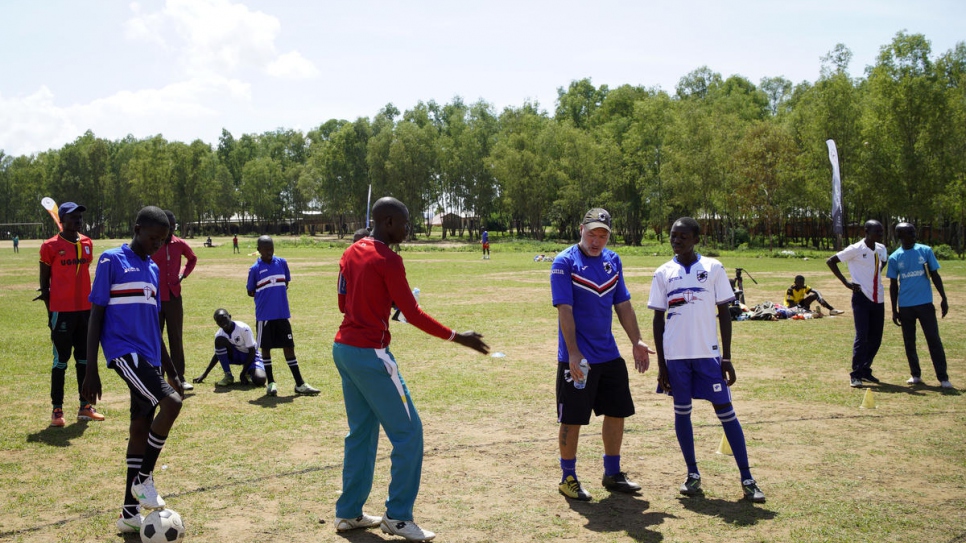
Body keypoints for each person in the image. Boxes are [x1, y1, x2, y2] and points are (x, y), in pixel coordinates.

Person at [332, 197, 489, 541]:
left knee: (361, 433)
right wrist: (457, 337)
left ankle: (348, 513)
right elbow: (413, 313)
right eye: (405, 223)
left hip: (343, 349)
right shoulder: (389, 259)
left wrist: (376, 303)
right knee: (409, 433)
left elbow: (344, 302)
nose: (409, 228)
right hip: (371, 354)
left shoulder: (350, 252)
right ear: (388, 222)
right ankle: (398, 516)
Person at [647, 217, 765, 503]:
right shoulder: (663, 272)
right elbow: (657, 320)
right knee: (682, 413)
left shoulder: (713, 268)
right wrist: (662, 365)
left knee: (726, 411)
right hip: (676, 358)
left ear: (696, 239)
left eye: (683, 236)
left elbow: (724, 313)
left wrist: (726, 357)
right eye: (673, 236)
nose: (676, 241)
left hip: (707, 356)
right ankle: (692, 474)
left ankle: (747, 478)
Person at [82, 206, 184, 534]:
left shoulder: (153, 268)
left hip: (150, 357)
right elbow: (96, 314)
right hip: (124, 352)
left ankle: (128, 513)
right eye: (153, 237)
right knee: (172, 404)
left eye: (163, 240)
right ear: (137, 228)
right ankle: (144, 479)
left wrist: (170, 369)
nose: (157, 244)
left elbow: (155, 325)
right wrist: (91, 369)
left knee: (140, 427)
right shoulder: (112, 260)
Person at [551, 208, 653, 502]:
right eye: (592, 233)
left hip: (608, 354)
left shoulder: (613, 261)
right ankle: (568, 477)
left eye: (603, 235)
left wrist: (637, 340)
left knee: (617, 412)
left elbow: (622, 304)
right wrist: (572, 353)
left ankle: (612, 472)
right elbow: (565, 311)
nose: (596, 241)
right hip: (578, 357)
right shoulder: (564, 263)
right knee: (572, 418)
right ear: (580, 230)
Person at [38, 202, 103, 426]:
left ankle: (85, 406)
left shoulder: (87, 243)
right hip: (61, 312)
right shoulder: (49, 246)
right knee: (60, 362)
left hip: (85, 311)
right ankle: (57, 410)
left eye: (80, 217)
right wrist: (51, 314)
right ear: (62, 220)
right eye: (74, 217)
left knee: (84, 360)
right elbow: (44, 285)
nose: (78, 220)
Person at [247, 235, 319, 396]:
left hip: (282, 314)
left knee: (289, 347)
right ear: (258, 250)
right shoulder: (254, 269)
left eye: (271, 248)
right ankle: (271, 383)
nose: (269, 252)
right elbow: (250, 291)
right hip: (264, 317)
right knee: (266, 348)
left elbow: (285, 283)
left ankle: (299, 384)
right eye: (265, 249)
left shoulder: (282, 263)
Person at [887, 223, 952, 388]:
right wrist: (894, 310)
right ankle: (915, 375)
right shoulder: (895, 257)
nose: (914, 235)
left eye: (914, 232)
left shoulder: (925, 250)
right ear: (900, 236)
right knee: (909, 341)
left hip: (925, 304)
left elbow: (935, 275)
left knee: (933, 340)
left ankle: (943, 378)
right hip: (906, 306)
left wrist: (943, 298)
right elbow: (893, 285)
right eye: (910, 232)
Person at [827, 220, 888, 388]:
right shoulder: (855, 249)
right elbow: (831, 261)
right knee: (862, 336)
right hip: (861, 297)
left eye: (881, 232)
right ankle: (855, 374)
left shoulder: (882, 249)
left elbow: (883, 262)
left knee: (876, 338)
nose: (880, 235)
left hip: (879, 298)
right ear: (866, 231)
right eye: (877, 231)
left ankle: (865, 369)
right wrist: (847, 283)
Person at [156, 210, 198, 391]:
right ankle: (157, 377)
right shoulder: (153, 243)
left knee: (176, 337)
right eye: (168, 225)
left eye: (173, 225)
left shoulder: (179, 244)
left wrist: (183, 274)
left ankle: (179, 377)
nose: (171, 228)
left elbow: (192, 258)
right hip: (155, 297)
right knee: (155, 338)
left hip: (173, 297)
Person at [192, 308, 267, 387]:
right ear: (217, 323)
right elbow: (217, 355)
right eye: (219, 321)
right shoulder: (219, 334)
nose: (223, 322)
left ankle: (248, 371)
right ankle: (228, 375)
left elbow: (252, 351)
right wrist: (204, 374)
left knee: (260, 380)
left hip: (251, 356)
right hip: (235, 356)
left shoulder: (243, 328)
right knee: (219, 340)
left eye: (224, 319)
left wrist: (243, 373)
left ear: (230, 317)